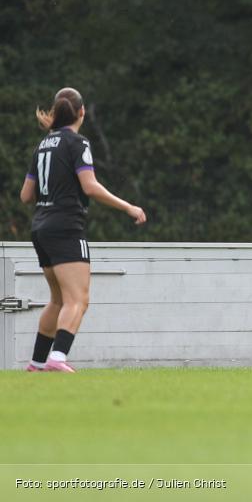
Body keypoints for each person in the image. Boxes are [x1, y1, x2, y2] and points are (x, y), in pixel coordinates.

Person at [20, 87, 146, 373]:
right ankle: (57, 357)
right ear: (81, 112)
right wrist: (128, 207)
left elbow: (26, 196)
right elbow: (90, 186)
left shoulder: (42, 145)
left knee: (58, 299)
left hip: (41, 227)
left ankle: (37, 363)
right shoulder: (78, 143)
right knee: (78, 299)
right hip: (66, 226)